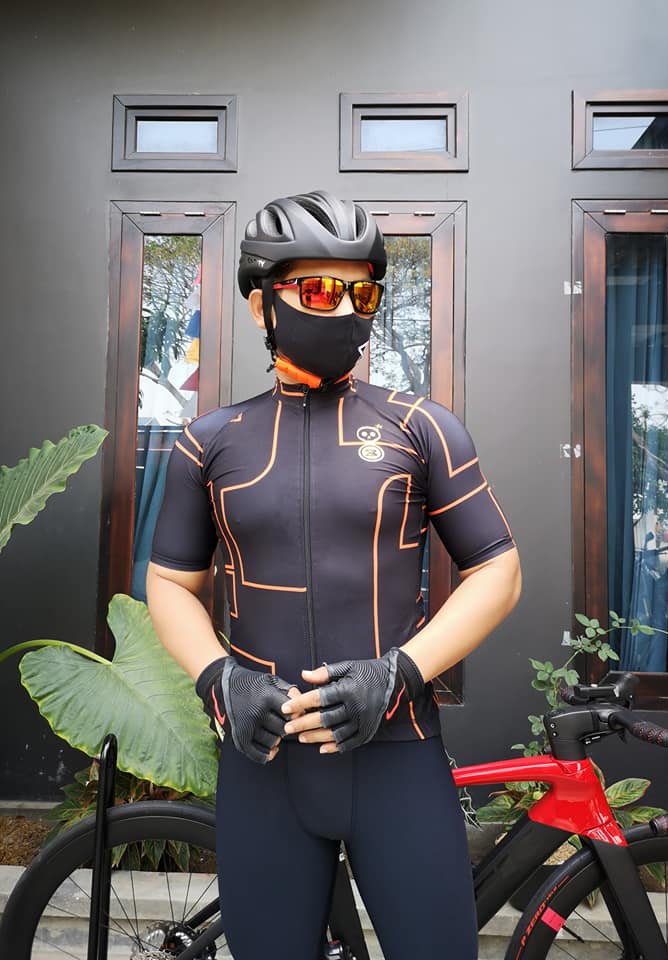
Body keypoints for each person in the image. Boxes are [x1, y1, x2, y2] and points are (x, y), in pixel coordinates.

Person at [146, 189, 521, 960]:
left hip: (397, 755)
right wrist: (219, 679)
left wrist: (398, 673)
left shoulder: (422, 427)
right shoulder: (207, 442)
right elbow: (170, 583)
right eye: (319, 290)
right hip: (264, 765)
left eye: (363, 292)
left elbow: (498, 569)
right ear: (262, 304)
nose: (346, 309)